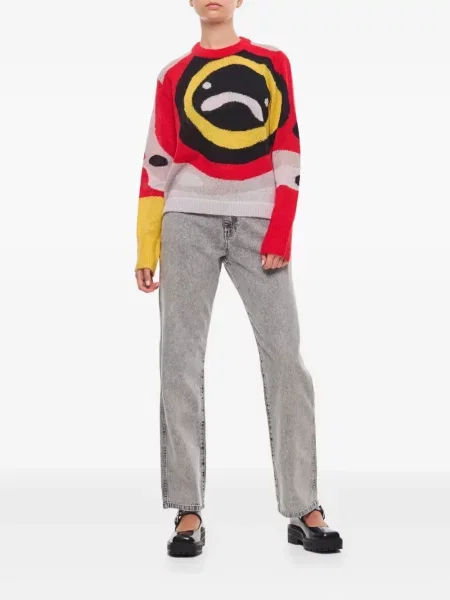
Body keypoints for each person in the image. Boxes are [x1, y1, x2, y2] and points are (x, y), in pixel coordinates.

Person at [134, 0, 343, 557]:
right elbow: (157, 158)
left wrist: (281, 229)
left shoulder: (272, 62)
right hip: (186, 222)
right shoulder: (173, 74)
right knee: (179, 360)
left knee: (286, 361)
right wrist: (147, 243)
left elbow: (288, 142)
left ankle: (304, 505)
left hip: (259, 222)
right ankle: (187, 508)